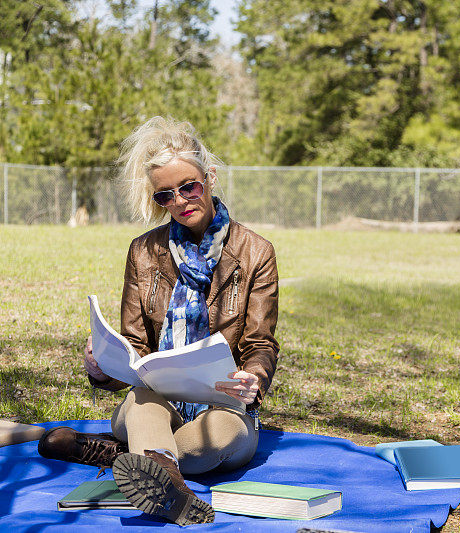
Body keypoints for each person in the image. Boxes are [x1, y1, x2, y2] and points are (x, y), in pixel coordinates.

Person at [37, 116, 280, 525]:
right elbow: (134, 350)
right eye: (166, 195)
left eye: (189, 186)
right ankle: (173, 493)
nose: (181, 200)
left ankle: (126, 456)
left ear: (211, 177)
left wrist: (254, 376)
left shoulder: (256, 251)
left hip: (222, 405)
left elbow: (260, 342)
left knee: (218, 438)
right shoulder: (143, 252)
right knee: (140, 405)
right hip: (153, 400)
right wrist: (100, 367)